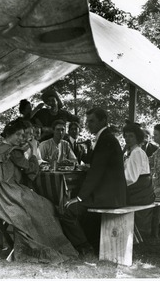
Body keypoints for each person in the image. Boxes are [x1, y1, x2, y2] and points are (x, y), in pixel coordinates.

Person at [0, 119, 78, 263]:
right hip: (8, 192)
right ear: (9, 134)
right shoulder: (13, 151)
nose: (21, 138)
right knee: (45, 205)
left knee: (36, 205)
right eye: (18, 135)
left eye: (23, 135)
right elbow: (31, 171)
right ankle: (46, 245)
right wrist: (33, 154)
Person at [59, 108, 127, 255]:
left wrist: (79, 198)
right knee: (77, 208)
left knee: (67, 210)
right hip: (112, 194)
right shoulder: (105, 138)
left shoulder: (106, 139)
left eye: (92, 121)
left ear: (103, 121)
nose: (88, 124)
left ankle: (85, 247)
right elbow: (99, 167)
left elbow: (96, 173)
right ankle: (91, 243)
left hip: (108, 196)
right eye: (87, 121)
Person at [123, 123, 155, 236]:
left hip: (140, 192)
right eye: (126, 136)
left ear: (137, 137)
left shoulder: (136, 153)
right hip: (142, 191)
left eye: (131, 136)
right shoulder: (133, 152)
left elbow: (130, 178)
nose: (127, 139)